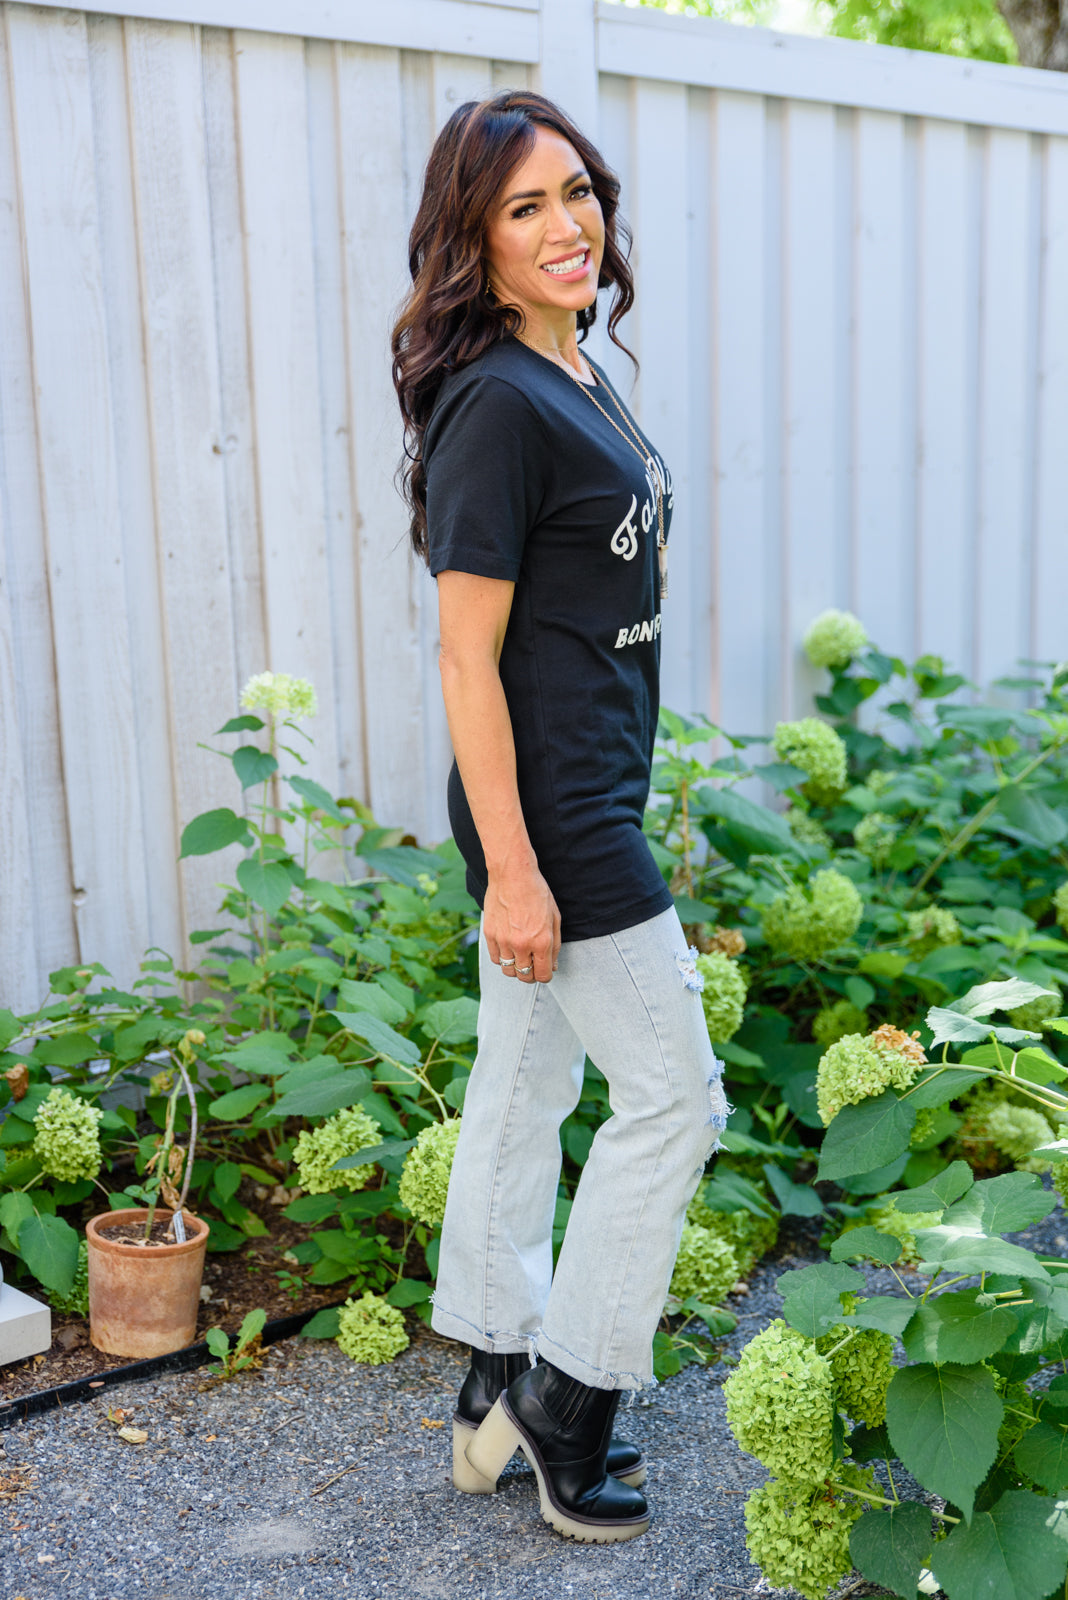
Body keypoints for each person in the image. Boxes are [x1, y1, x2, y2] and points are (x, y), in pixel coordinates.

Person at [391, 90, 729, 1545]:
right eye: (524, 207)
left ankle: (490, 1365)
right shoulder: (496, 406)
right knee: (678, 1100)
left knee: (524, 1083)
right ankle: (568, 1398)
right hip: (559, 818)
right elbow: (465, 659)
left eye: (576, 191)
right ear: (474, 238)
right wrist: (516, 870)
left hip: (581, 790)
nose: (566, 224)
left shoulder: (571, 366)